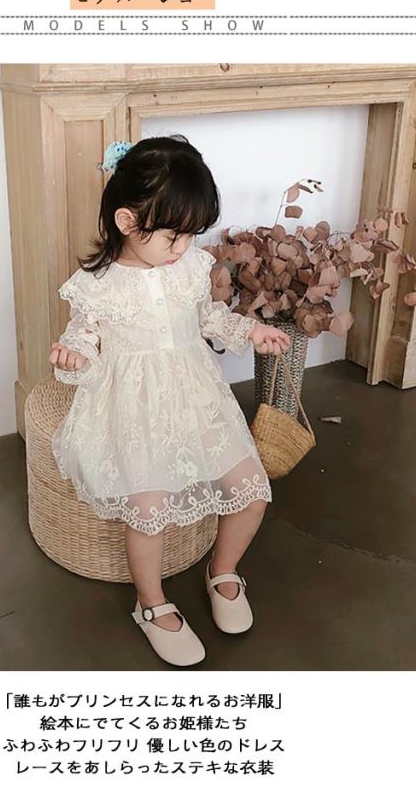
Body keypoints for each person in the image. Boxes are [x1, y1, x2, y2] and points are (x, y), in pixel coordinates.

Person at [48, 135, 290, 667]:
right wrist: (73, 354)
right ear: (127, 221)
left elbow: (208, 318)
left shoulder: (191, 267)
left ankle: (222, 570)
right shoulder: (96, 284)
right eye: (173, 235)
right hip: (132, 407)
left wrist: (250, 331)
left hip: (195, 395)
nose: (183, 246)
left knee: (252, 492)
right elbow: (83, 336)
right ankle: (151, 603)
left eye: (191, 234)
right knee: (148, 512)